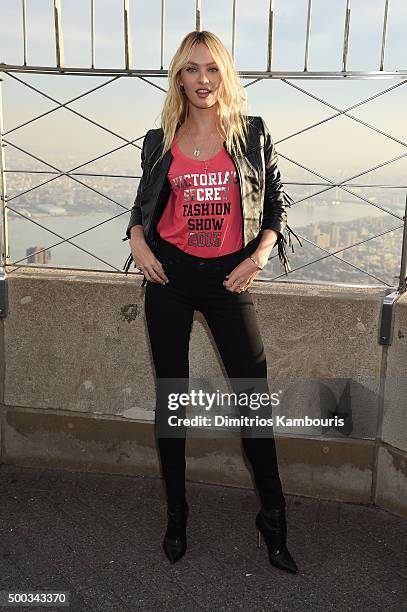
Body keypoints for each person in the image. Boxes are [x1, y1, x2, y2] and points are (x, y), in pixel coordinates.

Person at [122, 30, 302, 574]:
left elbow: (274, 206)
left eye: (213, 69)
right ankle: (176, 516)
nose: (203, 80)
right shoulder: (160, 140)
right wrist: (136, 240)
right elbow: (142, 209)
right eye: (191, 69)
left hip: (231, 280)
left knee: (253, 399)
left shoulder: (251, 134)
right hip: (170, 278)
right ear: (178, 77)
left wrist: (259, 256)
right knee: (171, 401)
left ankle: (273, 518)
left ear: (226, 75)